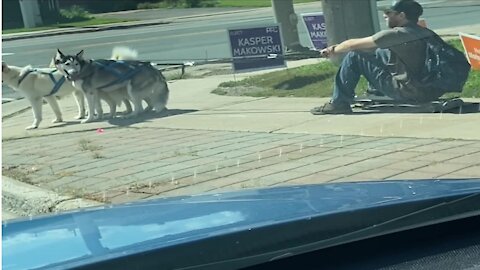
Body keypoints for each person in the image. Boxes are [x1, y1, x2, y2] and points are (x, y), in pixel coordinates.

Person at [311, 0, 441, 115]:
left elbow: (351, 45)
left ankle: (339, 103)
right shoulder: (426, 33)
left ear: (401, 15)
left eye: (389, 13)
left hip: (408, 91)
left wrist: (332, 50)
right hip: (430, 89)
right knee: (377, 54)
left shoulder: (396, 34)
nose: (385, 15)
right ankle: (377, 92)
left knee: (355, 56)